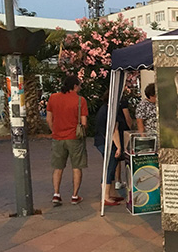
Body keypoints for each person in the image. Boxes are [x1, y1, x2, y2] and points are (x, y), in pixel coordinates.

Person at [46, 75, 88, 206]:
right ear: (75, 86)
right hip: (74, 138)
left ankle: (56, 194)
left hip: (58, 137)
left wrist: (55, 130)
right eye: (79, 85)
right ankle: (75, 196)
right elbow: (84, 122)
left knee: (58, 167)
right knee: (77, 167)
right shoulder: (81, 100)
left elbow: (48, 119)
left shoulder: (53, 98)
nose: (80, 88)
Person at [94, 90, 124, 206]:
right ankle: (106, 196)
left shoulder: (104, 109)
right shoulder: (111, 111)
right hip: (107, 142)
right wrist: (119, 147)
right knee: (109, 167)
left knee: (110, 166)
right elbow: (114, 130)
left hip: (100, 140)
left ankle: (111, 193)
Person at [115, 95, 133, 189]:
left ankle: (117, 180)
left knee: (117, 156)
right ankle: (127, 179)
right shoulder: (123, 100)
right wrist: (131, 129)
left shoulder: (111, 98)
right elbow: (127, 117)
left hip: (114, 129)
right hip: (123, 130)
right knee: (126, 154)